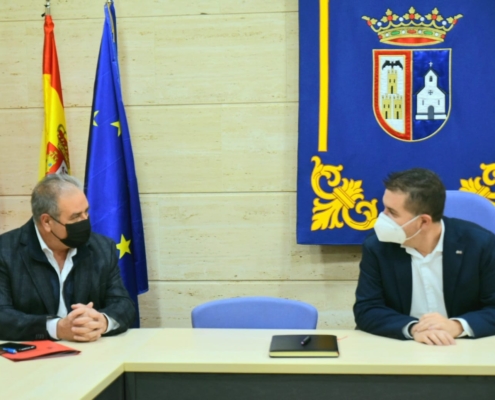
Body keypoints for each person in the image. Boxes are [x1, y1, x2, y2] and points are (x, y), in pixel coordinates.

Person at [354, 168, 495, 345]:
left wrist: (457, 326)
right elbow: (367, 309)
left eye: (392, 212)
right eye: (384, 208)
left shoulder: (480, 244)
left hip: (463, 347)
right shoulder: (377, 246)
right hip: (400, 347)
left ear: (423, 221)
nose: (383, 217)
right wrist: (413, 328)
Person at [0, 174, 135, 341]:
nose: (85, 221)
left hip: (91, 354)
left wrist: (102, 322)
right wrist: (56, 328)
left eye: (86, 212)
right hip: (31, 360)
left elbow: (124, 304)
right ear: (47, 222)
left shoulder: (101, 247)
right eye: (75, 217)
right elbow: (2, 316)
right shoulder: (5, 251)